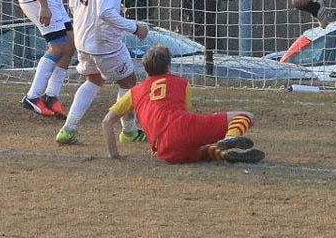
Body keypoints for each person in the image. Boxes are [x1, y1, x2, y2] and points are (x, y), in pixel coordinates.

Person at [56, 0, 148, 145]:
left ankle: (68, 129)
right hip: (104, 41)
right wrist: (135, 27)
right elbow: (106, 12)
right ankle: (129, 131)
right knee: (128, 82)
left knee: (93, 80)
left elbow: (72, 3)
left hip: (82, 38)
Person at [102, 45, 265, 164]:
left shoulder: (134, 91)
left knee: (199, 150)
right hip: (183, 127)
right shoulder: (181, 82)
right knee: (246, 116)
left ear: (145, 68)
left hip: (163, 150)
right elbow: (185, 112)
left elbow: (107, 122)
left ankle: (223, 155)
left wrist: (114, 155)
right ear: (168, 66)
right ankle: (230, 137)